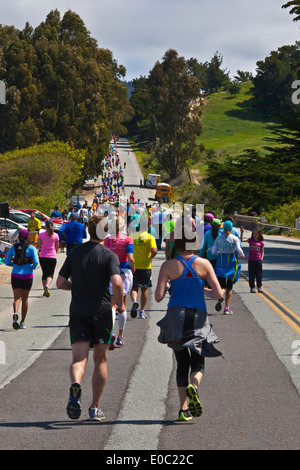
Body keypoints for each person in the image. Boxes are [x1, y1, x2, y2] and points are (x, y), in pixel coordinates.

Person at [56, 215, 125, 421]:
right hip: (102, 311)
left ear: (88, 230)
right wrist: (119, 303)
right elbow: (117, 282)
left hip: (78, 311)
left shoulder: (75, 253)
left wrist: (74, 287)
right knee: (101, 360)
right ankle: (95, 408)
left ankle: (76, 384)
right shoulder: (109, 255)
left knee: (79, 360)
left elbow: (60, 283)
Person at [155, 222, 225, 422]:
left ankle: (183, 409)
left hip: (176, 316)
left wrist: (171, 285)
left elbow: (159, 296)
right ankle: (193, 387)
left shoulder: (168, 265)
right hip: (197, 315)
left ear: (176, 243)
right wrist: (199, 290)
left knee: (182, 363)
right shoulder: (203, 263)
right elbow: (218, 293)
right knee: (198, 360)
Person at [104, 216, 135, 347]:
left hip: (111, 271)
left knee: (112, 304)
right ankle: (121, 336)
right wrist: (133, 270)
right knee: (122, 303)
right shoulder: (128, 239)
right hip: (125, 272)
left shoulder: (107, 239)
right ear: (124, 227)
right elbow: (130, 257)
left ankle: (110, 333)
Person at [5, 229, 39, 329]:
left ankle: (15, 313)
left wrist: (15, 265)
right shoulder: (31, 248)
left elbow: (7, 262)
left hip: (15, 274)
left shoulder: (13, 247)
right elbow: (36, 262)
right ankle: (23, 322)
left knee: (16, 298)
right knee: (25, 299)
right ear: (28, 237)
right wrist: (32, 268)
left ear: (19, 237)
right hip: (27, 275)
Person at [211, 220, 245, 315]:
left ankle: (220, 297)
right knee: (229, 287)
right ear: (231, 228)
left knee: (221, 286)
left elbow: (213, 252)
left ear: (223, 227)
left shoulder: (218, 238)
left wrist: (220, 252)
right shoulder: (234, 238)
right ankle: (226, 308)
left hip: (221, 263)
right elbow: (239, 250)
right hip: (231, 264)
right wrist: (242, 255)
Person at [130, 216, 157, 319]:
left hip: (134, 266)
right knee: (144, 289)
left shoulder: (132, 236)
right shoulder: (150, 237)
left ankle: (134, 302)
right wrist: (150, 257)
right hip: (145, 266)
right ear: (149, 225)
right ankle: (142, 311)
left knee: (134, 287)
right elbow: (154, 250)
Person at [36, 220, 59, 297]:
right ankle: (47, 286)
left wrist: (36, 254)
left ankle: (44, 289)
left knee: (44, 273)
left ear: (45, 226)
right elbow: (57, 246)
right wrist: (55, 252)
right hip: (52, 256)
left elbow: (38, 246)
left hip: (43, 256)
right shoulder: (55, 235)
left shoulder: (41, 235)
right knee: (50, 273)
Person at [240, 226, 264, 293]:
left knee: (259, 274)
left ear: (259, 234)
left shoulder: (261, 242)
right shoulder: (250, 240)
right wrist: (242, 233)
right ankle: (252, 287)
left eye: (256, 234)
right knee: (251, 274)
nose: (255, 235)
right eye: (254, 234)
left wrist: (261, 259)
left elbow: (262, 251)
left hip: (258, 260)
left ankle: (259, 287)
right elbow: (241, 240)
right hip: (251, 260)